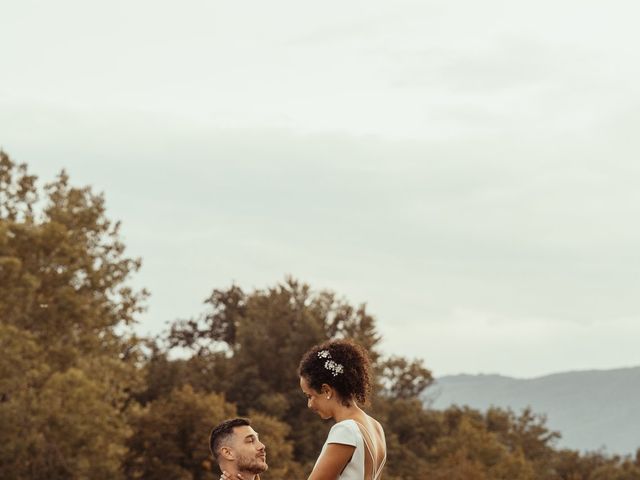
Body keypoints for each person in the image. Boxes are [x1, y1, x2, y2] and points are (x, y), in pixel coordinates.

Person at [221, 339, 386, 480]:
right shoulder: (376, 427)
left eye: (310, 396)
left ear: (327, 390)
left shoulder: (346, 430)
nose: (310, 405)